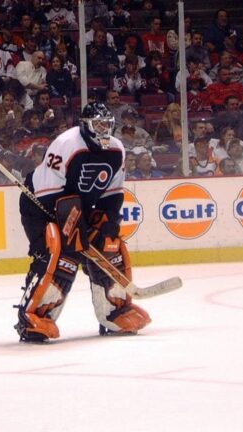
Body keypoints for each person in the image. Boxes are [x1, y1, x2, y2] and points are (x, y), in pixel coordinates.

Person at [15, 102, 151, 342]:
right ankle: (33, 316)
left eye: (107, 125)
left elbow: (113, 193)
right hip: (41, 206)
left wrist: (108, 221)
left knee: (109, 244)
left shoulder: (116, 149)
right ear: (85, 126)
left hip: (79, 207)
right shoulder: (66, 144)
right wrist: (77, 229)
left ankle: (114, 312)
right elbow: (50, 195)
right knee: (59, 252)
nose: (103, 130)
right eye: (98, 125)